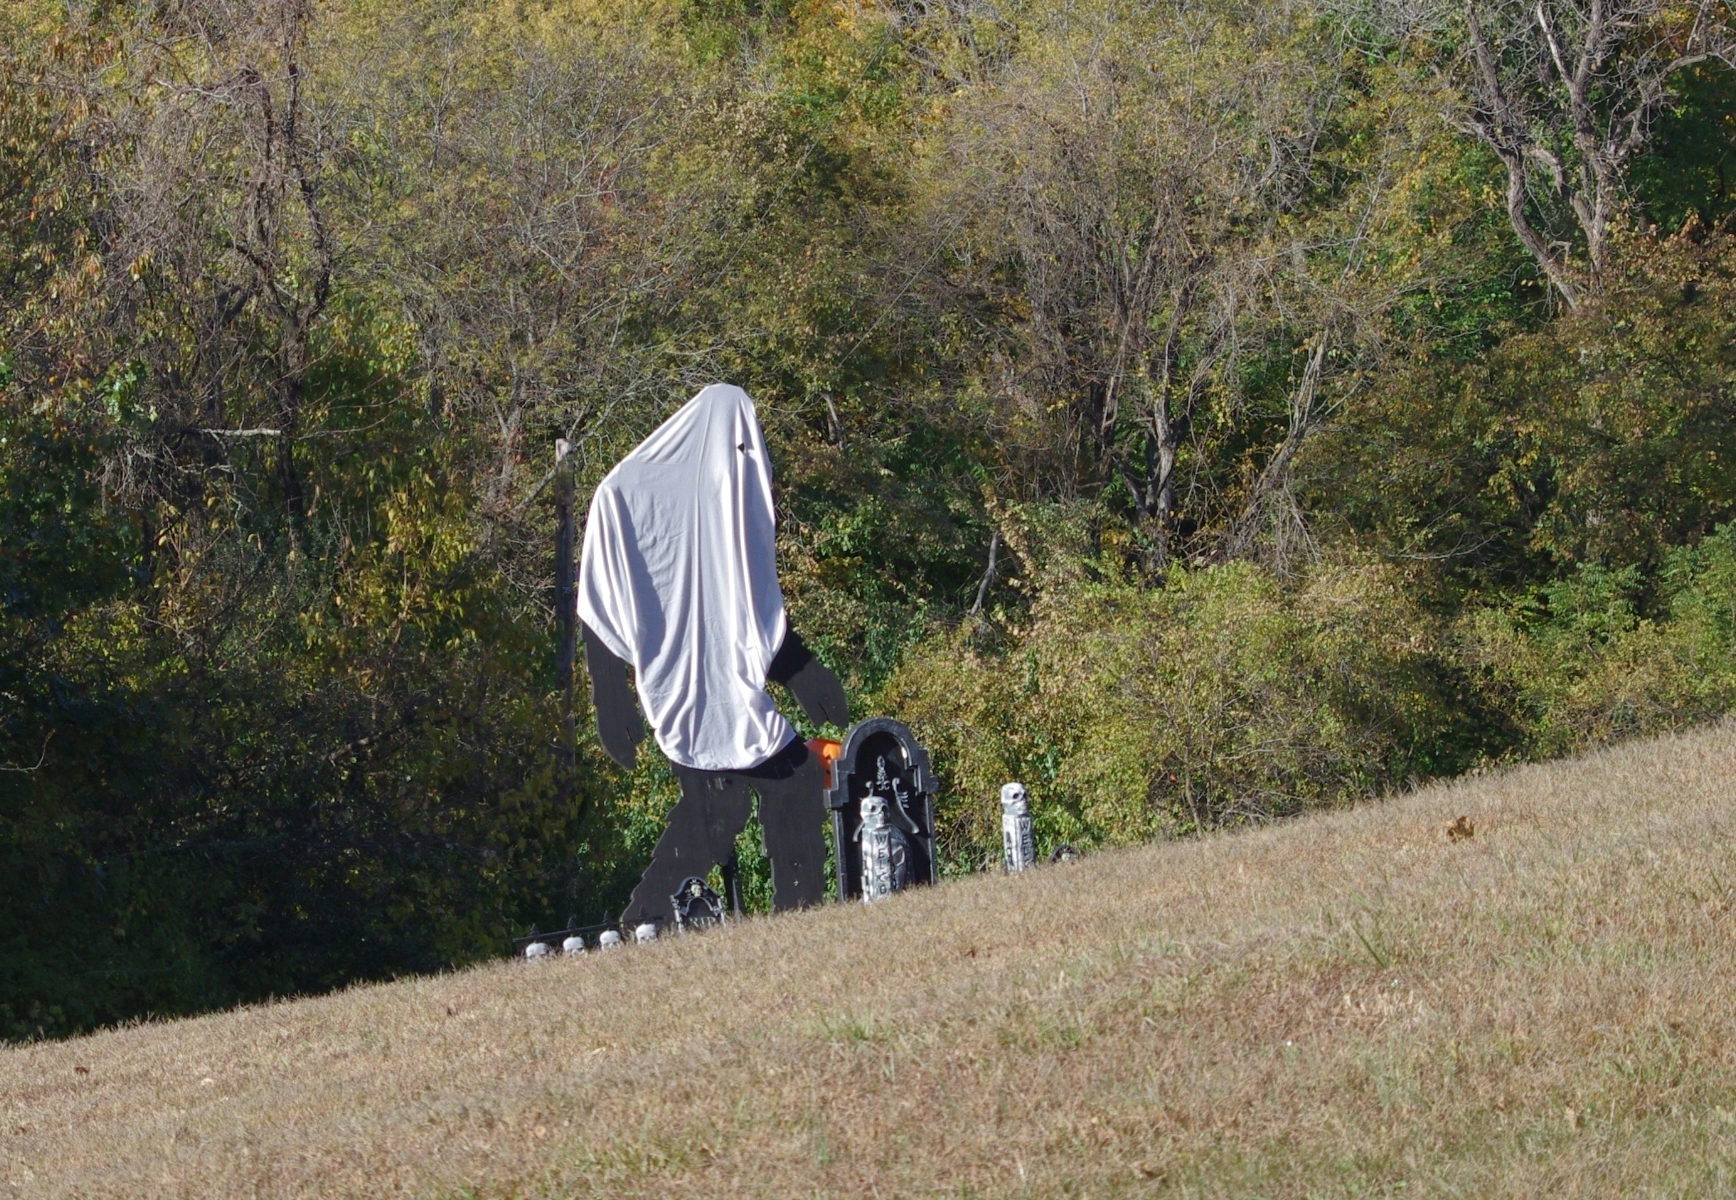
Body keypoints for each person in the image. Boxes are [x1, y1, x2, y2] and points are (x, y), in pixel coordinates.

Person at [577, 383, 848, 927]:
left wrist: (805, 675)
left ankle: (789, 915)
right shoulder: (630, 492)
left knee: (762, 793)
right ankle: (648, 922)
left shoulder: (724, 507)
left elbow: (745, 613)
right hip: (682, 693)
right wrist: (611, 699)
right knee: (728, 805)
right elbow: (602, 597)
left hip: (731, 695)